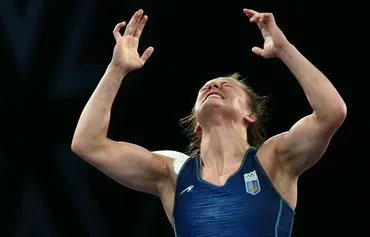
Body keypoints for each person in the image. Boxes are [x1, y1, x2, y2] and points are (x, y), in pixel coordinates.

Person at [71, 8, 347, 237]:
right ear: (196, 124)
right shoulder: (173, 174)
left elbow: (331, 112)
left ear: (250, 115)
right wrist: (116, 69)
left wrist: (285, 49)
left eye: (226, 85)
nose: (213, 84)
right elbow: (88, 144)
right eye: (207, 86)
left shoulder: (274, 160)